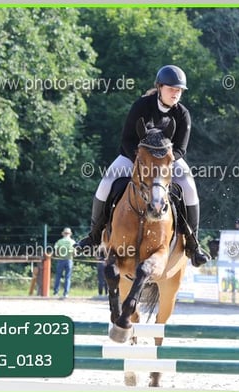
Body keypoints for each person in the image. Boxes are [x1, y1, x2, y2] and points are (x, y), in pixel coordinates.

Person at [76, 65, 209, 267]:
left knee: (190, 188)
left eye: (179, 90)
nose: (176, 93)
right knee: (105, 184)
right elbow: (127, 140)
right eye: (171, 89)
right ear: (160, 87)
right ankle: (93, 237)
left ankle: (193, 244)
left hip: (167, 162)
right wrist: (141, 162)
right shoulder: (141, 106)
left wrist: (163, 164)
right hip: (133, 158)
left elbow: (181, 149)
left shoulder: (183, 114)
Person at [53, 227, 76, 298]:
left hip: (60, 260)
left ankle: (56, 293)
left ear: (63, 234)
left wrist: (58, 255)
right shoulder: (73, 242)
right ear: (70, 234)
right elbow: (75, 254)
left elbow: (56, 252)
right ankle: (66, 293)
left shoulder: (59, 241)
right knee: (67, 277)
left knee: (58, 276)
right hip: (69, 260)